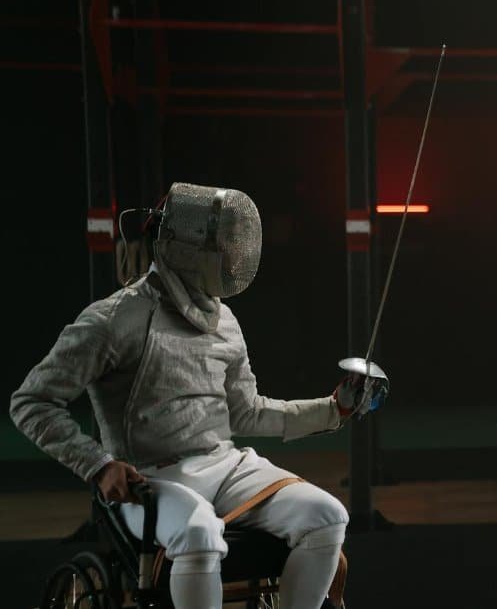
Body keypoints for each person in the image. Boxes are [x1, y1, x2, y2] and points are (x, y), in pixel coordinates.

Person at [11, 182, 384, 609]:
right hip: (149, 480)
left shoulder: (224, 320)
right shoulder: (114, 320)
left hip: (226, 467)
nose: (232, 257)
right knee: (199, 533)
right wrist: (98, 466)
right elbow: (31, 402)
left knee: (327, 515)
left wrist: (331, 410)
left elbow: (246, 413)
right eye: (221, 244)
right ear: (186, 249)